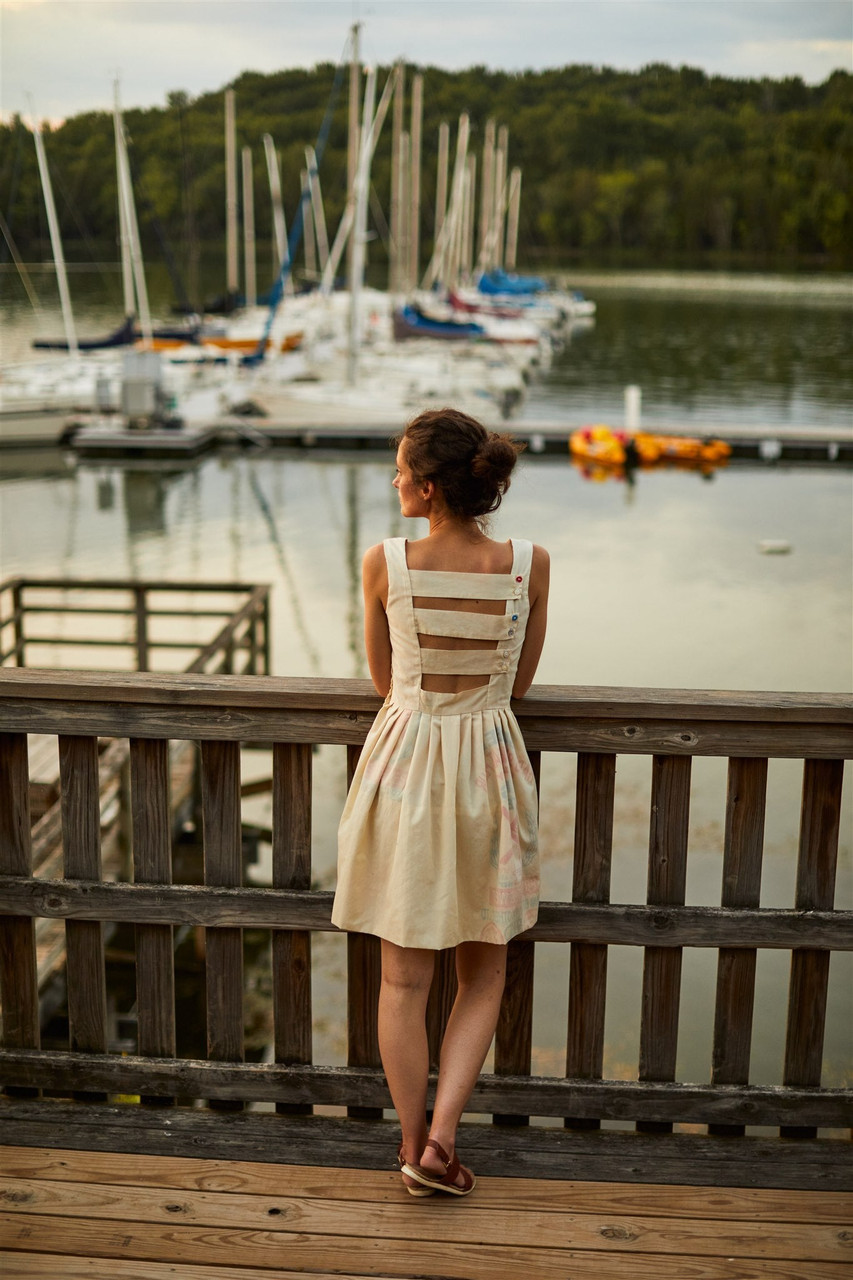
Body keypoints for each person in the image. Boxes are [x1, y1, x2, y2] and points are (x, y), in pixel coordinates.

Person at [332, 406, 549, 1198]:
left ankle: (410, 1141)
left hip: (406, 763)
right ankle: (443, 1142)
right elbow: (517, 686)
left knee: (401, 982)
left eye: (399, 472)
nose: (393, 481)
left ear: (427, 488)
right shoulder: (529, 562)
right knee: (481, 973)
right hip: (489, 762)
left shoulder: (384, 560)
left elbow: (384, 682)